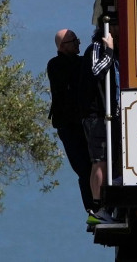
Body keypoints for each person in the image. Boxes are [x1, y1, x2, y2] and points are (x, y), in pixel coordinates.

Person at [46, 28, 92, 212]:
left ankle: (97, 205)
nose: (78, 43)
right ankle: (92, 207)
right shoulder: (56, 65)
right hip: (69, 125)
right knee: (83, 168)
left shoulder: (78, 63)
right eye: (74, 41)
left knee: (92, 166)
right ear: (63, 46)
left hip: (79, 122)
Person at [79, 25, 118, 224]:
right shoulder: (96, 47)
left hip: (105, 115)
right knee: (100, 160)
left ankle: (105, 206)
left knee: (105, 160)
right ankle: (99, 209)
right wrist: (109, 49)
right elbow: (96, 70)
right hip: (96, 116)